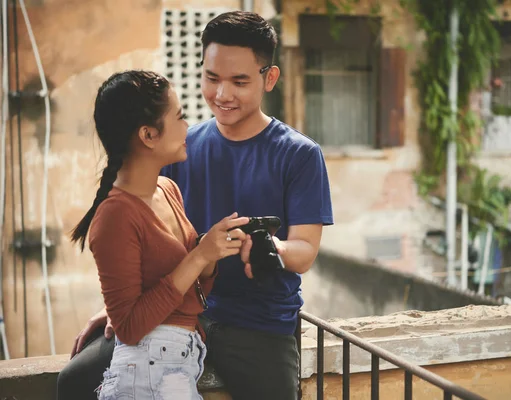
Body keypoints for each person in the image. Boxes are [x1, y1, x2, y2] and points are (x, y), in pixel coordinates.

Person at [57, 11, 333, 400]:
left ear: (269, 78)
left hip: (257, 324)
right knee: (73, 382)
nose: (222, 94)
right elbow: (151, 244)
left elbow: (305, 251)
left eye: (239, 81)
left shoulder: (299, 154)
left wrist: (270, 247)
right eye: (212, 78)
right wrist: (121, 309)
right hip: (176, 314)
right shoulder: (179, 149)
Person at [61, 70, 249, 399]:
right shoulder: (115, 216)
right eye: (179, 117)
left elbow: (193, 289)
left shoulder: (168, 189)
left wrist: (216, 249)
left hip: (179, 362)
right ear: (149, 134)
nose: (187, 126)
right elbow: (130, 328)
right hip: (145, 374)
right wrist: (200, 255)